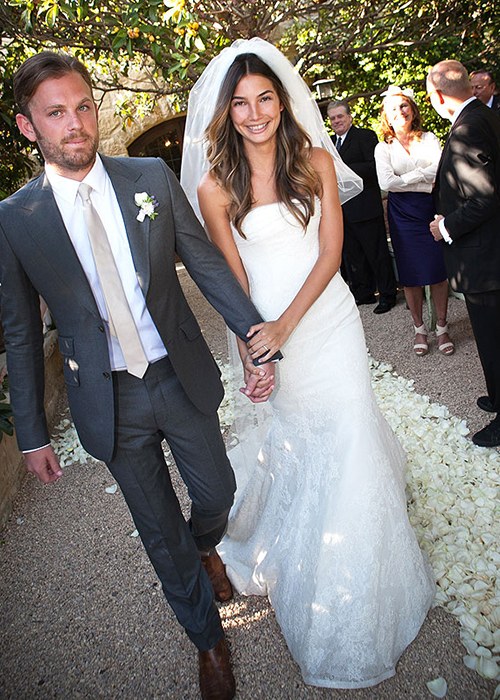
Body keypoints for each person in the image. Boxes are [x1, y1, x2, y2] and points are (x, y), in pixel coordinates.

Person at [0, 51, 283, 700]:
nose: (74, 124)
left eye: (82, 107)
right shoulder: (16, 219)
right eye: (55, 114)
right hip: (108, 400)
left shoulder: (149, 176)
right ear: (28, 126)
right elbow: (20, 332)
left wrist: (253, 334)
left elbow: (207, 265)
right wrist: (34, 432)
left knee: (217, 492)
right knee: (156, 529)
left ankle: (203, 546)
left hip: (176, 374)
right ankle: (207, 641)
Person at [181, 37, 435, 689]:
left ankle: (362, 590)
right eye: (240, 103)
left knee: (351, 433)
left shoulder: (316, 159)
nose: (255, 112)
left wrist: (287, 326)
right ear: (225, 113)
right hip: (266, 335)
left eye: (265, 97)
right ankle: (295, 554)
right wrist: (251, 352)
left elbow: (330, 252)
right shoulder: (213, 187)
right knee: (301, 448)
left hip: (327, 323)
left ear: (283, 100)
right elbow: (230, 283)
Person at [427, 59, 500, 448]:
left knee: (492, 339)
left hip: (484, 258)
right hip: (488, 251)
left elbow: (485, 197)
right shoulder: (485, 116)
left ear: (438, 96)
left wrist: (446, 226)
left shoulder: (467, 130)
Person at [374, 86, 454, 356]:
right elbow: (386, 182)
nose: (400, 112)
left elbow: (439, 168)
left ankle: (442, 327)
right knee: (410, 275)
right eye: (394, 108)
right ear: (387, 115)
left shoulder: (429, 138)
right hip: (402, 214)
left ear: (413, 109)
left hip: (429, 208)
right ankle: (419, 328)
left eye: (404, 106)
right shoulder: (382, 148)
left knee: (437, 271)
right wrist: (420, 175)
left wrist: (405, 179)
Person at [327, 100, 397, 313]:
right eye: (333, 118)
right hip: (341, 210)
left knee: (376, 253)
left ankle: (387, 295)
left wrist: (341, 168)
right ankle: (364, 293)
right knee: (352, 255)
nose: (337, 121)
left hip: (365, 207)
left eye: (340, 116)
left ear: (349, 117)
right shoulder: (328, 143)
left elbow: (372, 168)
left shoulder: (365, 136)